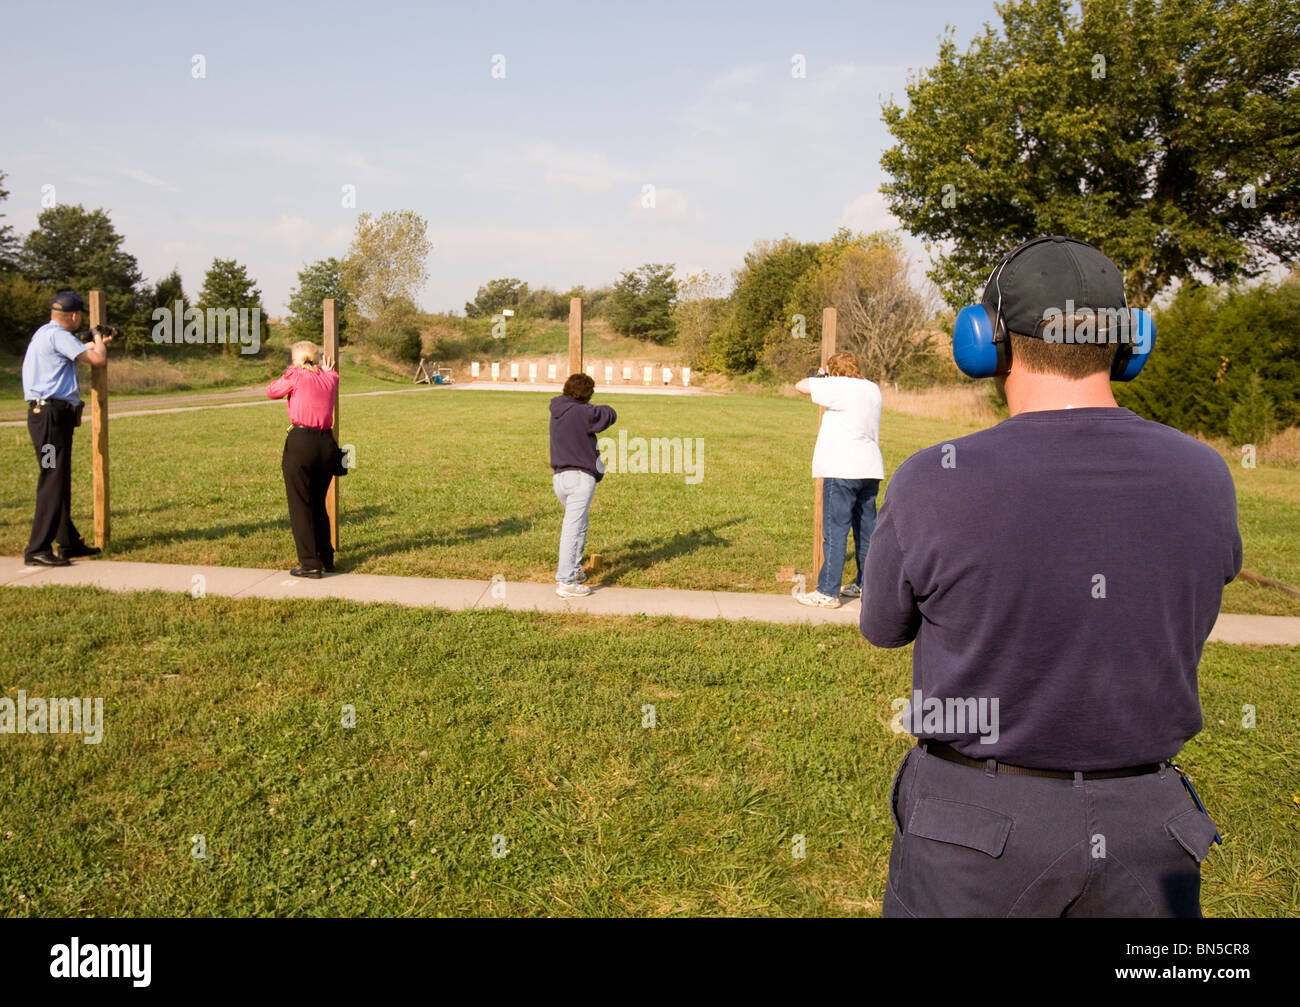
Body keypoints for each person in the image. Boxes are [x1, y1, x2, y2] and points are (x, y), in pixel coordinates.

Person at [861, 236, 1242, 917]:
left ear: (986, 342)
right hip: (1148, 828)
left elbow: (883, 627)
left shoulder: (934, 476)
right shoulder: (1206, 474)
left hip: (973, 828)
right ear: (1129, 343)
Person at [21, 290, 112, 567]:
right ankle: (37, 548)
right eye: (79, 316)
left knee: (56, 478)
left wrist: (90, 338)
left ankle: (68, 543)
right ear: (73, 316)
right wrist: (99, 341)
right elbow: (98, 360)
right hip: (50, 420)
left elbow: (73, 345)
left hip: (49, 418)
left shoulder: (45, 333)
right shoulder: (60, 336)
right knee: (52, 478)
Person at [794, 351, 884, 608]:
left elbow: (800, 386)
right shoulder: (872, 389)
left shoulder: (839, 385)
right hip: (870, 468)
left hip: (842, 467)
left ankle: (828, 591)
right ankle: (866, 585)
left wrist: (821, 376)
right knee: (866, 532)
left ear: (835, 372)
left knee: (835, 531)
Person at [267, 341, 341, 578]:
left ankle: (310, 563)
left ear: (296, 360)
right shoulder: (330, 378)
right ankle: (326, 558)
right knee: (319, 504)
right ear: (316, 358)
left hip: (302, 442)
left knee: (300, 505)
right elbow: (331, 376)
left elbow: (272, 391)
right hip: (327, 444)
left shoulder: (296, 376)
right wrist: (325, 370)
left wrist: (292, 370)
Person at [549, 373, 616, 598]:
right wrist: (589, 404)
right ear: (587, 394)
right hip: (580, 478)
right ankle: (565, 581)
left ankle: (575, 570)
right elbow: (609, 414)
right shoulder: (583, 412)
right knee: (572, 528)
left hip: (560, 478)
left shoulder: (558, 409)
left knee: (580, 524)